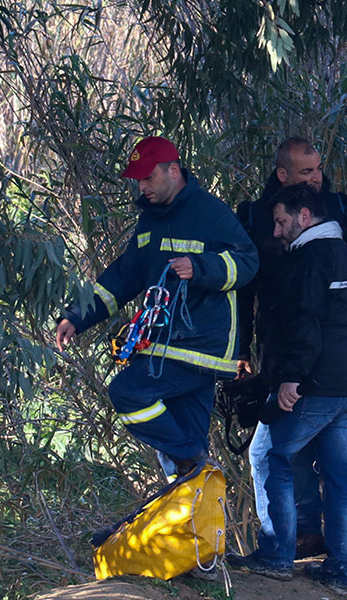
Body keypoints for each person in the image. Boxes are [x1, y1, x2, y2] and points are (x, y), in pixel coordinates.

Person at [229, 184, 347, 594]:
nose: (275, 231)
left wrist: (291, 376)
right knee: (340, 475)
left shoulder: (306, 261)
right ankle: (341, 569)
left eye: (280, 221)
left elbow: (304, 323)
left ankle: (275, 554)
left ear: (305, 217)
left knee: (269, 453)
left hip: (315, 381)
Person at [55, 136, 258, 477]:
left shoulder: (211, 213)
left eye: (148, 178)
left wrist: (200, 267)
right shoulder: (150, 221)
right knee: (186, 461)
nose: (142, 186)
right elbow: (124, 276)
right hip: (167, 345)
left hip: (198, 346)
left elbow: (248, 263)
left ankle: (191, 460)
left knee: (127, 392)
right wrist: (77, 316)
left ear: (173, 171)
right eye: (138, 179)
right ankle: (194, 490)